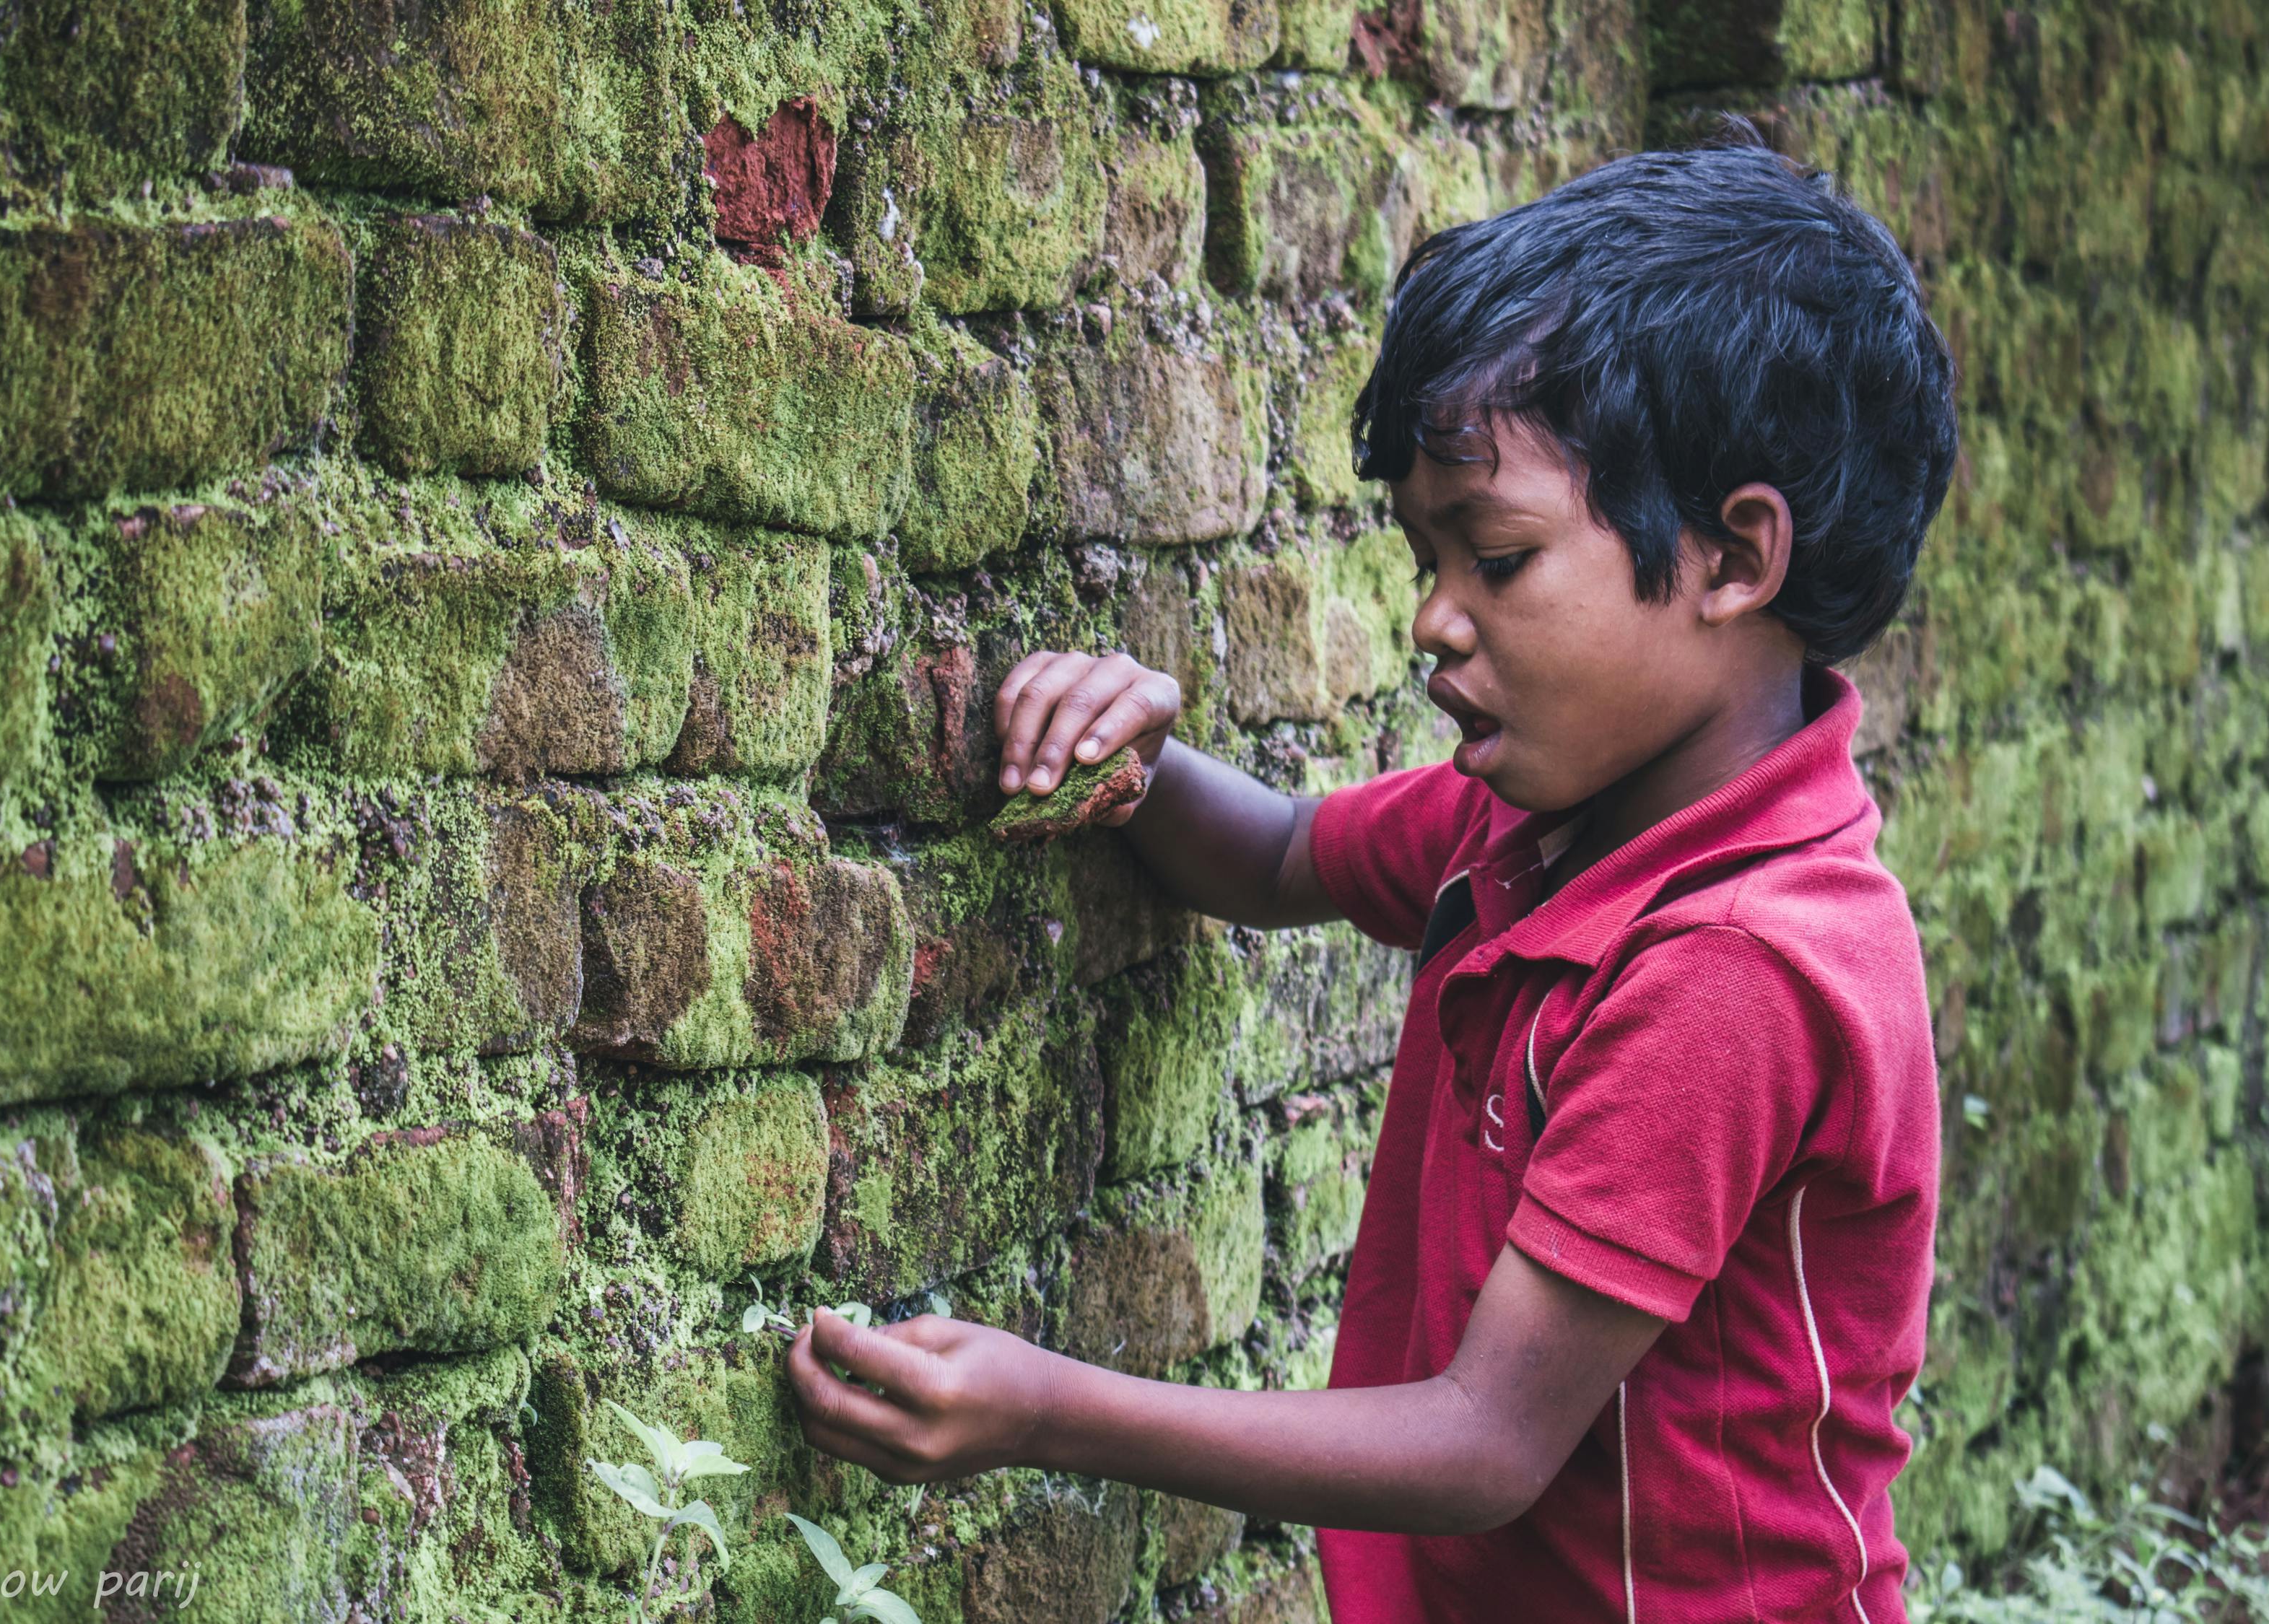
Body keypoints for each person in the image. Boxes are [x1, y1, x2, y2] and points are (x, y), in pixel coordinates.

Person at [785, 140, 1959, 1623]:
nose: (1430, 624)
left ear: (1732, 557)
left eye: (1499, 558)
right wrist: (1131, 752)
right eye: (1424, 560)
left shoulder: (1737, 964)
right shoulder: (1541, 827)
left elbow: (1481, 1441)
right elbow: (1280, 853)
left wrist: (1041, 1408)